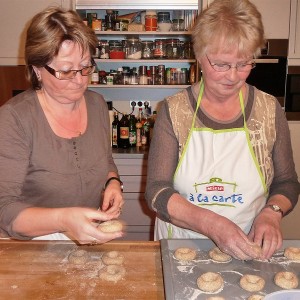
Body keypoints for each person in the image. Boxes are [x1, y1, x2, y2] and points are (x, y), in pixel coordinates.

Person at [145, 0, 300, 260]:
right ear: (199, 56)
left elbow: (287, 183)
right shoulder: (174, 111)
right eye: (221, 64)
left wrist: (272, 212)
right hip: (182, 247)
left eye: (244, 64)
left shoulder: (268, 109)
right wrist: (213, 224)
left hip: (248, 244)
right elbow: (157, 192)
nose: (233, 76)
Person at [0, 7, 124, 244]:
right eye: (66, 70)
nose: (79, 80)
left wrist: (113, 182)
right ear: (37, 70)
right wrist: (64, 220)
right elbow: (4, 210)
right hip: (30, 249)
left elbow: (106, 160)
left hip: (88, 241)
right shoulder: (14, 119)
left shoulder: (97, 104)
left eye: (86, 66)